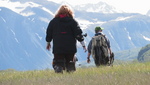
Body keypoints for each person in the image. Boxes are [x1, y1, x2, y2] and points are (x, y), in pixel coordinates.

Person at [46, 5, 87, 73]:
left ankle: (59, 70)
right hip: (70, 47)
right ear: (70, 12)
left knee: (58, 62)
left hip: (58, 47)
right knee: (70, 63)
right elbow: (78, 34)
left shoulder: (53, 22)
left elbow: (49, 33)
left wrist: (48, 43)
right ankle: (70, 72)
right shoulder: (73, 22)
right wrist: (83, 45)